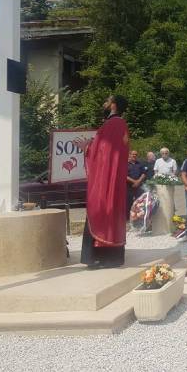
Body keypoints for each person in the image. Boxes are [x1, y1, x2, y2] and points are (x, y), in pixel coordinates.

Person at [76, 95, 129, 269]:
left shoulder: (112, 124)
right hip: (114, 180)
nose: (103, 103)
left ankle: (98, 257)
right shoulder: (120, 124)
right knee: (111, 212)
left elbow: (103, 154)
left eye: (106, 101)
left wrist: (87, 148)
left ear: (113, 105)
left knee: (98, 210)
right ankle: (111, 257)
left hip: (106, 180)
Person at [126, 150, 148, 220]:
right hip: (129, 186)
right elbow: (124, 175)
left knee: (139, 202)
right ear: (129, 155)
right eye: (133, 154)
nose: (134, 156)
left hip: (138, 186)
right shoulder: (125, 164)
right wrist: (134, 182)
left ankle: (138, 218)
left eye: (136, 154)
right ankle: (128, 218)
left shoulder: (139, 164)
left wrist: (138, 181)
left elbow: (144, 173)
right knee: (128, 202)